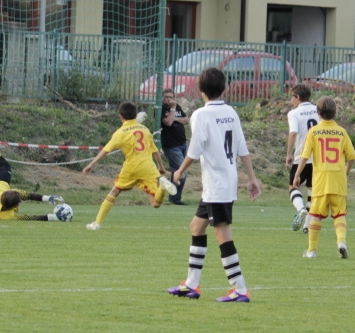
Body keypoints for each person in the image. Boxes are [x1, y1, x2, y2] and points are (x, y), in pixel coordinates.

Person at [167, 67, 261, 303]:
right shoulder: (230, 112)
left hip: (217, 183)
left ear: (200, 91)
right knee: (196, 228)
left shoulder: (201, 114)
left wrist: (179, 171)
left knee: (221, 233)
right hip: (221, 182)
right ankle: (191, 284)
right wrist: (251, 178)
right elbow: (241, 148)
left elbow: (195, 149)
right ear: (224, 88)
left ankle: (239, 288)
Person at [82, 101, 177, 230]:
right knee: (155, 203)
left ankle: (97, 223)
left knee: (114, 191)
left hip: (131, 168)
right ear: (136, 115)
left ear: (121, 116)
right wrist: (161, 167)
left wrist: (91, 164)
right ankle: (163, 187)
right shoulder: (145, 129)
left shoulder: (120, 132)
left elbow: (106, 150)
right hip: (148, 168)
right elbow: (155, 151)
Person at [291, 96, 355, 259]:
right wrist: (345, 172)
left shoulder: (313, 132)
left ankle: (312, 251)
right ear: (335, 112)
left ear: (318, 113)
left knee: (315, 215)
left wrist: (297, 175)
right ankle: (341, 242)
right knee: (339, 214)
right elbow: (352, 157)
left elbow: (304, 156)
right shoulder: (342, 132)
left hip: (320, 181)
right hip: (338, 181)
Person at [285, 83, 318, 233]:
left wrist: (289, 154)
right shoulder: (318, 109)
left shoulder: (294, 113)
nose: (291, 100)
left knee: (293, 186)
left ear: (297, 97)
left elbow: (293, 133)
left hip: (302, 156)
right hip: (318, 158)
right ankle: (307, 225)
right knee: (312, 190)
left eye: (292, 97)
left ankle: (300, 209)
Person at [160, 87, 189, 204]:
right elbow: (168, 122)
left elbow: (186, 120)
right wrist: (172, 109)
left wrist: (175, 117)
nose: (169, 99)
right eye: (166, 97)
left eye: (171, 97)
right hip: (171, 145)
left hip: (182, 143)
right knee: (183, 170)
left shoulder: (177, 107)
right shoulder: (160, 109)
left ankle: (174, 197)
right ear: (162, 98)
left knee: (177, 171)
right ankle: (174, 197)